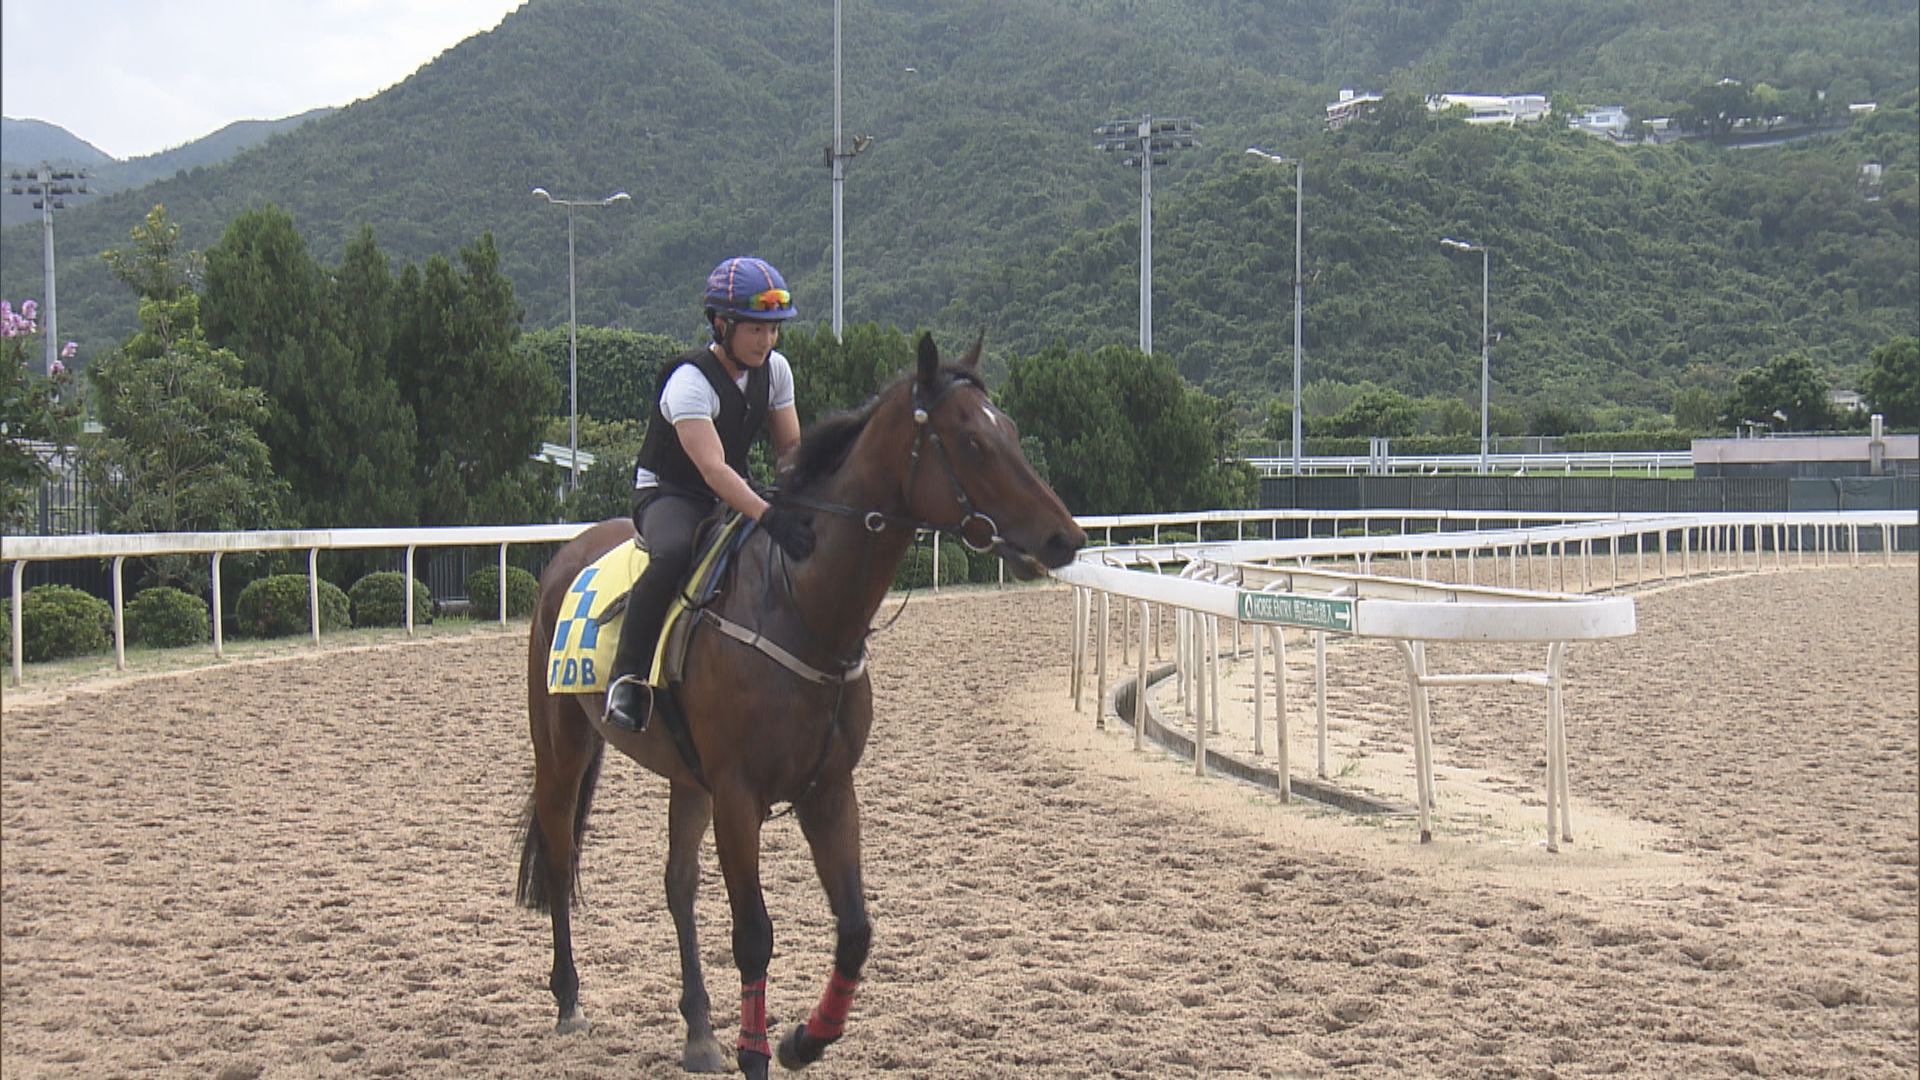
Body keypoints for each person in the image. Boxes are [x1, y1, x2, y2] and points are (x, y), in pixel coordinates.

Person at [603, 256, 816, 732]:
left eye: (773, 330)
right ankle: (629, 677)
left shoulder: (776, 371)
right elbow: (713, 469)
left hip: (729, 489)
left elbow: (790, 449)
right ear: (722, 325)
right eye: (756, 330)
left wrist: (800, 495)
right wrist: (767, 514)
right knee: (675, 553)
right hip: (670, 494)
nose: (768, 341)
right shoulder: (689, 382)